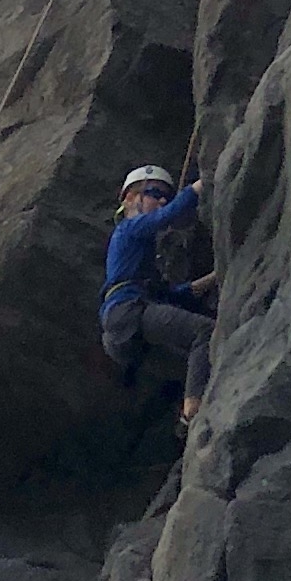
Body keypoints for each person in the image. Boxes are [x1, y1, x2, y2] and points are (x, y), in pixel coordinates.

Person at [100, 162, 214, 423]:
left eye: (166, 197)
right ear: (130, 198)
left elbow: (169, 296)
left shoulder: (141, 254)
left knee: (199, 362)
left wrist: (213, 278)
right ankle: (192, 413)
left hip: (123, 332)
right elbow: (165, 217)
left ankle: (189, 418)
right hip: (129, 312)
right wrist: (200, 185)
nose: (162, 200)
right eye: (154, 193)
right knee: (205, 333)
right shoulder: (128, 229)